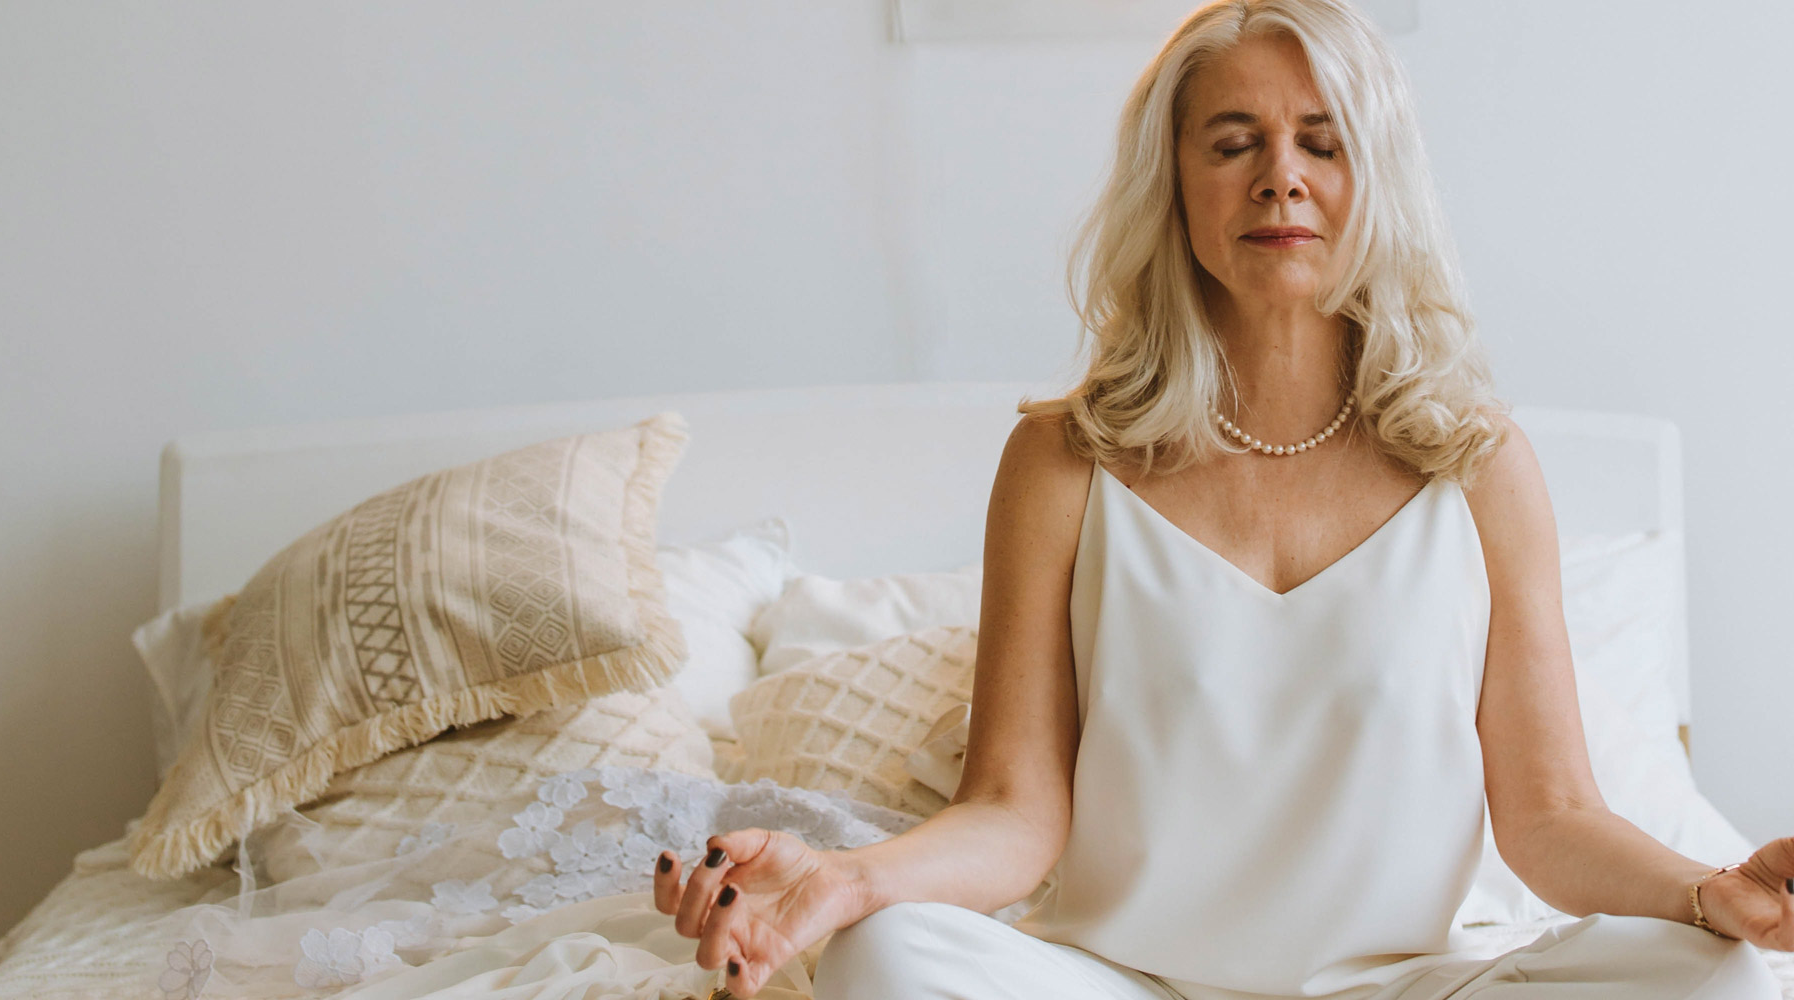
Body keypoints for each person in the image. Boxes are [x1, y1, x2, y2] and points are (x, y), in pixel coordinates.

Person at [651, 1, 1794, 997]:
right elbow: (1011, 807)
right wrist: (849, 878)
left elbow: (1548, 819)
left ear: (1373, 178)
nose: (1278, 176)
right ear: (1174, 186)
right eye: (1232, 141)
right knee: (886, 962)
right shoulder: (1061, 461)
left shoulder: (1477, 464)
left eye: (1320, 142)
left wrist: (1711, 891)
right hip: (1119, 982)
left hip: (1415, 985)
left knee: (1716, 975)